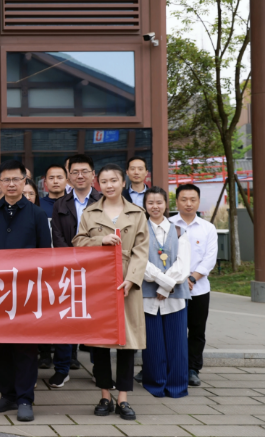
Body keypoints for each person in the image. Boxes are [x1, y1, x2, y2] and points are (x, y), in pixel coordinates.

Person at [0, 160, 51, 423]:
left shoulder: (36, 214)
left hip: (27, 293)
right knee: (1, 347)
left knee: (25, 348)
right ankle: (7, 395)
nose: (9, 184)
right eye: (4, 179)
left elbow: (45, 255)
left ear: (24, 181)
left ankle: (25, 399)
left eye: (15, 179)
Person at [73, 163, 148, 421]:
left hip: (127, 283)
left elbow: (142, 250)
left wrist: (132, 279)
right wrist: (100, 241)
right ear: (98, 184)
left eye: (114, 180)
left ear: (123, 182)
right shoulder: (90, 212)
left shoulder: (137, 213)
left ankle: (123, 398)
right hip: (99, 281)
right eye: (104, 181)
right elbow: (78, 243)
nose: (109, 185)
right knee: (100, 343)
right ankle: (104, 395)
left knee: (127, 342)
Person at [47, 153, 100, 379]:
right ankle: (62, 369)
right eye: (75, 172)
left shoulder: (102, 201)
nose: (80, 176)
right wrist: (73, 261)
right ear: (69, 176)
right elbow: (57, 237)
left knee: (97, 320)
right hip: (68, 270)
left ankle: (100, 369)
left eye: (84, 171)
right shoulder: (61, 204)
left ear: (93, 175)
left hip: (97, 270)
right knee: (65, 320)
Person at [140, 186, 190, 398]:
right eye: (150, 203)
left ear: (166, 204)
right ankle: (155, 384)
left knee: (177, 345)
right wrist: (164, 282)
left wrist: (165, 286)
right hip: (148, 297)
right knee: (153, 346)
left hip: (175, 298)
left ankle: (177, 386)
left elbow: (183, 265)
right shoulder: (140, 231)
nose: (155, 206)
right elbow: (141, 263)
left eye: (159, 202)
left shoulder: (179, 231)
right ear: (145, 205)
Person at [169, 183, 217, 387]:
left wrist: (192, 278)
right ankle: (169, 366)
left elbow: (209, 259)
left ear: (198, 202)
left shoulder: (208, 228)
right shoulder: (168, 224)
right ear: (177, 201)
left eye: (192, 199)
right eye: (184, 199)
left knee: (197, 331)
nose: (188, 203)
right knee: (172, 330)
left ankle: (192, 369)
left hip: (199, 289)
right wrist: (178, 279)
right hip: (172, 288)